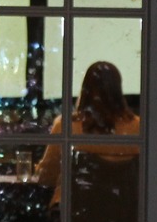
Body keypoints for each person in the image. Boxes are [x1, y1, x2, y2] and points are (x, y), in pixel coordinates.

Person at [34, 60, 140, 199]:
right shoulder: (138, 127)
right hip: (125, 209)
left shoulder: (66, 126)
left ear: (85, 90)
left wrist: (38, 168)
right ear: (118, 90)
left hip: (73, 209)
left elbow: (47, 177)